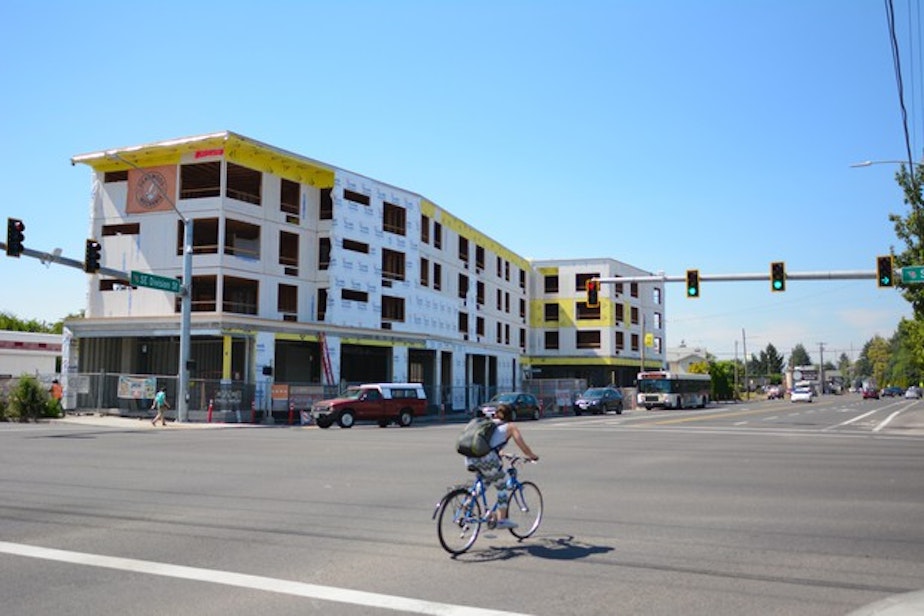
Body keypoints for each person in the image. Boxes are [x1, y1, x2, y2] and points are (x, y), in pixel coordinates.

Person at [464, 403, 539, 529]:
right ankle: (502, 519)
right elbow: (522, 444)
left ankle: (468, 503)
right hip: (487, 460)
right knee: (502, 485)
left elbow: (490, 443)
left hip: (471, 457)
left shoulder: (489, 424)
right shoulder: (510, 427)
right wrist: (531, 455)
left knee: (486, 480)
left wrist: (501, 453)